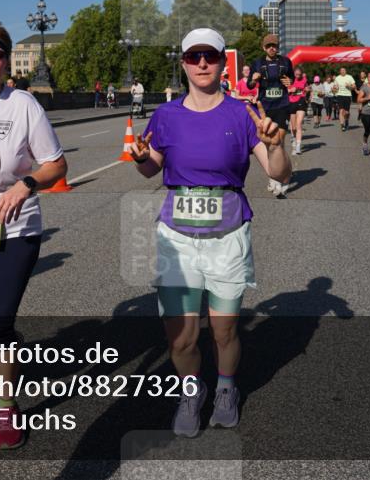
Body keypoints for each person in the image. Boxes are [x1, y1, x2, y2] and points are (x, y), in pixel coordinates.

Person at [129, 28, 290, 438]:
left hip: (227, 236)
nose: (202, 64)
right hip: (177, 241)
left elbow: (278, 173)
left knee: (224, 330)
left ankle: (225, 388)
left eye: (211, 56)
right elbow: (151, 166)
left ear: (222, 62)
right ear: (183, 63)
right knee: (181, 339)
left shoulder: (241, 113)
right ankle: (190, 393)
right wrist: (142, 158)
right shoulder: (166, 115)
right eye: (193, 56)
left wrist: (275, 145)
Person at [0, 21, 67, 450]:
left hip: (14, 229)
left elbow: (56, 165)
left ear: (7, 63)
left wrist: (26, 184)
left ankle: (6, 405)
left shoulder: (22, 105)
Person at [247, 34, 293, 197]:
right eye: (268, 46)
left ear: (278, 47)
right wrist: (253, 80)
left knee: (279, 142)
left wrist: (290, 82)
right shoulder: (257, 63)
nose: (272, 48)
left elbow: (292, 79)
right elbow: (249, 84)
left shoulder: (286, 62)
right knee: (267, 143)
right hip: (264, 107)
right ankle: (273, 175)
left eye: (274, 45)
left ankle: (283, 178)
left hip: (281, 105)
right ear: (263, 48)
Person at [287, 66, 307, 156]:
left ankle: (298, 145)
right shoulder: (289, 80)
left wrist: (307, 90)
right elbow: (284, 91)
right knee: (294, 127)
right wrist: (291, 89)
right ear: (294, 73)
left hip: (301, 101)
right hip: (291, 102)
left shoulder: (304, 80)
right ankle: (293, 138)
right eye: (296, 74)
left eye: (299, 74)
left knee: (299, 124)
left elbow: (307, 88)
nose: (298, 76)